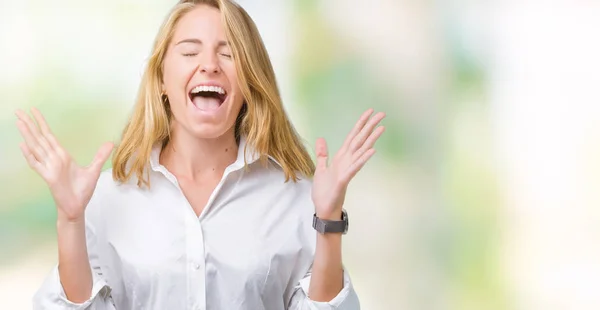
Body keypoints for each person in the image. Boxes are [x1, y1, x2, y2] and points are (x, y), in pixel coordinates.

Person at [16, 0, 385, 309]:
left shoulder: (296, 197)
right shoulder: (105, 200)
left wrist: (329, 219)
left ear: (250, 82)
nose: (209, 64)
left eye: (228, 53)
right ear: (161, 78)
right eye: (190, 51)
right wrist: (69, 220)